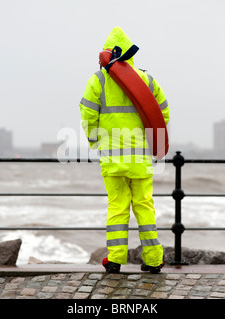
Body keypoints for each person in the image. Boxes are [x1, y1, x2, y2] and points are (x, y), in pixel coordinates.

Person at [79, 27, 170, 274]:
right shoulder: (147, 80)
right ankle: (153, 260)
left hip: (112, 161)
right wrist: (153, 143)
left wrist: (96, 142)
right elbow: (162, 114)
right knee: (144, 206)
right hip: (140, 159)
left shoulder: (97, 80)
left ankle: (116, 259)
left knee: (117, 208)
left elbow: (87, 115)